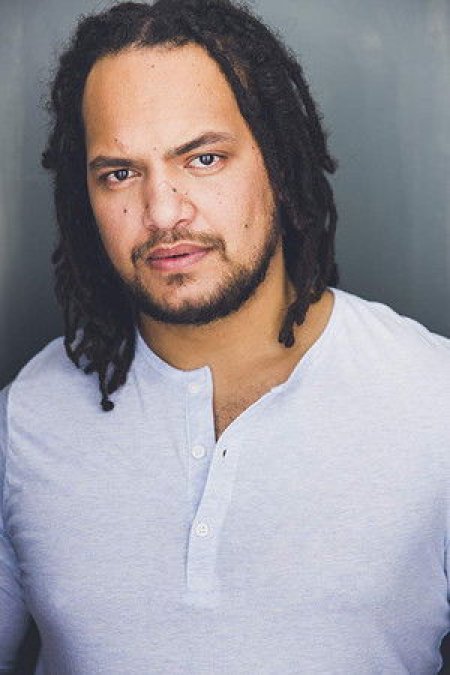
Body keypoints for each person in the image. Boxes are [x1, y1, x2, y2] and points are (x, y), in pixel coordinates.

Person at [1, 0, 450, 672]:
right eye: (120, 173)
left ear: (279, 164)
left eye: (204, 158)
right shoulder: (24, 421)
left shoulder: (435, 401)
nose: (162, 213)